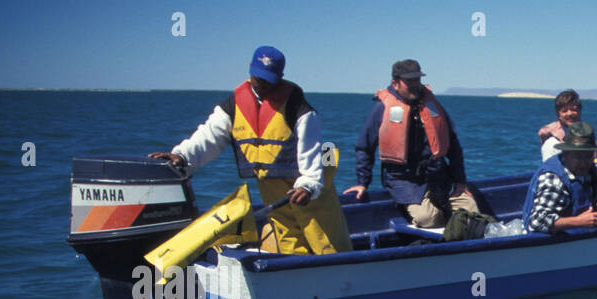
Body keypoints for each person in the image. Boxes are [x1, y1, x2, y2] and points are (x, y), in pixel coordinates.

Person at [150, 46, 352, 255]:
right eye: (258, 78)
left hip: (310, 180)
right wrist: (183, 156)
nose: (262, 84)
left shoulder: (300, 110)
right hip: (271, 182)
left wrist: (308, 185)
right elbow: (209, 136)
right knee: (287, 234)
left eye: (268, 79)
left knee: (323, 235)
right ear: (250, 69)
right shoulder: (233, 106)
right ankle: (297, 274)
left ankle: (343, 274)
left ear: (280, 76)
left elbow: (310, 151)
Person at [344, 60, 480, 228]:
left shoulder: (432, 104)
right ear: (395, 83)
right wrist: (362, 182)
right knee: (429, 219)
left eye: (417, 79)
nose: (415, 85)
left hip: (439, 176)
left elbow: (453, 145)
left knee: (472, 214)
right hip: (405, 181)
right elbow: (364, 147)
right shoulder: (382, 108)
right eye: (409, 81)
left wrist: (460, 181)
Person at [523, 122, 597, 233]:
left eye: (588, 156)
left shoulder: (591, 171)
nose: (583, 163)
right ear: (565, 153)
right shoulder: (554, 179)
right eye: (577, 157)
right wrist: (579, 221)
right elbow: (536, 222)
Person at [538, 90, 584, 161]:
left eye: (573, 109)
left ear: (579, 111)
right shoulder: (552, 139)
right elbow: (543, 132)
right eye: (564, 111)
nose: (569, 113)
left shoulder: (586, 131)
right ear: (558, 114)